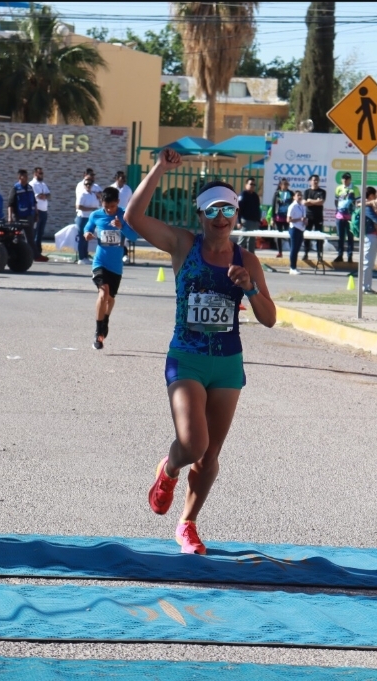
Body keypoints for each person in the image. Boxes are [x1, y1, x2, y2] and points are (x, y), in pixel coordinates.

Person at [124, 148, 277, 555]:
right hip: (187, 356)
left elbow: (269, 319)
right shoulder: (182, 245)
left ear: (236, 216)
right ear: (200, 216)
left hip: (227, 363)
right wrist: (158, 167)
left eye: (227, 209)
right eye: (212, 210)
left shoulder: (248, 259)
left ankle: (188, 524)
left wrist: (251, 288)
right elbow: (133, 218)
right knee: (191, 444)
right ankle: (169, 469)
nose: (221, 217)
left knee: (209, 457)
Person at [85, 186, 139, 350]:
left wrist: (122, 226)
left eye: (112, 206)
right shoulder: (96, 215)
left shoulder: (124, 215)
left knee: (110, 298)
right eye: (106, 206)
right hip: (100, 262)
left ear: (118, 202)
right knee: (104, 292)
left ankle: (106, 318)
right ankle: (98, 331)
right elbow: (87, 227)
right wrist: (86, 233)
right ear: (102, 203)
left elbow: (134, 236)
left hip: (116, 266)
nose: (109, 210)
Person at [5, 169, 39, 260]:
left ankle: (34, 255)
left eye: (27, 176)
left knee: (30, 237)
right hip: (19, 216)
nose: (27, 178)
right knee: (16, 236)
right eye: (25, 176)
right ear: (20, 177)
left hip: (29, 216)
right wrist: (10, 217)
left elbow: (34, 202)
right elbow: (10, 204)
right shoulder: (15, 188)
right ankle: (16, 255)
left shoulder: (30, 188)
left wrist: (36, 213)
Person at [75, 176, 101, 264]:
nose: (88, 186)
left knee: (87, 238)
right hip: (82, 217)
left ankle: (85, 256)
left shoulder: (93, 194)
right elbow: (79, 206)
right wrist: (91, 209)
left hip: (89, 218)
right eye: (86, 184)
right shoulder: (82, 194)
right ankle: (81, 257)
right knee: (82, 238)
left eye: (90, 184)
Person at [29, 167, 51, 262]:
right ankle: (31, 252)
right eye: (40, 173)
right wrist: (42, 196)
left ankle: (38, 252)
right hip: (36, 212)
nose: (42, 175)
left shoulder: (43, 184)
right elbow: (37, 196)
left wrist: (44, 196)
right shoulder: (32, 184)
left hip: (44, 211)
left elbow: (49, 195)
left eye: (42, 173)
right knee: (34, 232)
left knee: (40, 233)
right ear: (35, 174)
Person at [334, 172, 357, 263]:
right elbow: (336, 201)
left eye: (346, 179)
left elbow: (358, 202)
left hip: (350, 217)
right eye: (343, 178)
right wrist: (338, 211)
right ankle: (340, 255)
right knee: (340, 237)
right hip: (340, 217)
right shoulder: (339, 188)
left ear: (350, 179)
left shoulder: (355, 189)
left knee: (350, 237)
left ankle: (350, 256)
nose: (344, 180)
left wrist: (353, 212)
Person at [303, 174, 326, 261]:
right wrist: (316, 201)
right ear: (310, 181)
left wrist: (310, 201)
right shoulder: (306, 192)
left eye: (317, 180)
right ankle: (306, 253)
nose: (315, 181)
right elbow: (305, 203)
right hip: (308, 216)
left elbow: (321, 202)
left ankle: (319, 255)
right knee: (307, 236)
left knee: (319, 237)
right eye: (313, 180)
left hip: (318, 216)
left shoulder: (322, 192)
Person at [236, 177, 262, 253]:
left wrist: (258, 220)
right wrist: (238, 221)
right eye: (251, 184)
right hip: (245, 222)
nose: (252, 186)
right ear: (246, 185)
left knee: (252, 243)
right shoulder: (243, 195)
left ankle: (251, 260)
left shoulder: (255, 196)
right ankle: (236, 258)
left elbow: (257, 209)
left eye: (254, 184)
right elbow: (238, 209)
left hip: (254, 222)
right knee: (242, 242)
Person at [269, 178, 292, 257]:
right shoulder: (277, 193)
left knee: (289, 235)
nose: (285, 186)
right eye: (284, 184)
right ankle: (280, 252)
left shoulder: (291, 193)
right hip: (278, 217)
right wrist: (272, 218)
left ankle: (292, 252)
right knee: (279, 235)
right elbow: (273, 205)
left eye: (287, 184)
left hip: (288, 217)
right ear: (280, 185)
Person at [286, 190, 306, 275]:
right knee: (293, 249)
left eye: (301, 195)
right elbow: (288, 219)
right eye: (298, 195)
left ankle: (295, 267)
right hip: (294, 229)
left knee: (297, 249)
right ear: (294, 197)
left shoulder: (302, 206)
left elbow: (303, 217)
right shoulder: (292, 206)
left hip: (301, 229)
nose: (300, 197)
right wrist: (299, 219)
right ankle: (292, 267)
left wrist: (305, 221)